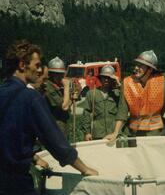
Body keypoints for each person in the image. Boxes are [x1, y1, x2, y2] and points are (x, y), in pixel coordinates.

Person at [0, 40, 98, 195]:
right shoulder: (30, 98)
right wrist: (85, 169)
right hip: (16, 183)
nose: (40, 70)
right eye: (37, 65)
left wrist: (34, 157)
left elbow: (9, 136)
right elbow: (55, 141)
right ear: (22, 65)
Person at [104, 50, 165, 143]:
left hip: (157, 134)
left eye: (140, 66)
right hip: (133, 133)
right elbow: (122, 112)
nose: (136, 68)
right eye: (136, 64)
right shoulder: (127, 83)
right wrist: (116, 132)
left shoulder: (163, 83)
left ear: (150, 69)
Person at [81, 65, 120, 140]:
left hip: (113, 133)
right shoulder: (92, 93)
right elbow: (86, 113)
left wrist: (118, 83)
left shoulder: (117, 94)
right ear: (100, 78)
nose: (106, 80)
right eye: (104, 77)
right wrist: (87, 132)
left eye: (109, 78)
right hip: (97, 134)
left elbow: (125, 107)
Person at [45, 57, 71, 136]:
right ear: (51, 74)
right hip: (54, 126)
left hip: (62, 125)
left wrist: (71, 98)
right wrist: (67, 87)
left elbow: (68, 105)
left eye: (61, 74)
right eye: (57, 74)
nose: (60, 77)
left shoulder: (58, 87)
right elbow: (65, 106)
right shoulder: (48, 87)